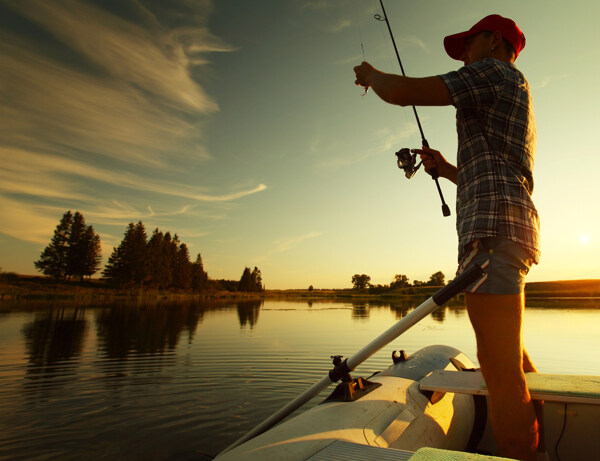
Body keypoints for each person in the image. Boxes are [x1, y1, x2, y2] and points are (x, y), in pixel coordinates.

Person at [354, 14, 542, 461]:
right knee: (509, 360)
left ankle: (528, 455)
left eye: (468, 44)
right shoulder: (512, 86)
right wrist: (444, 168)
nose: (463, 55)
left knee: (500, 374)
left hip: (493, 234)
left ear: (494, 41)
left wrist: (370, 74)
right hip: (502, 228)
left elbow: (402, 93)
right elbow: (493, 172)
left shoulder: (495, 71)